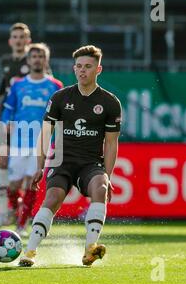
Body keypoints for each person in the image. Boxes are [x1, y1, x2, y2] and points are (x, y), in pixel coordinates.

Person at [18, 45, 122, 267]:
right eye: (79, 66)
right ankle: (29, 252)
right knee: (52, 198)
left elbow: (111, 144)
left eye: (88, 66)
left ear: (98, 69)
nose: (82, 71)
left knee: (101, 189)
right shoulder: (60, 98)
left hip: (91, 163)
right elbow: (46, 132)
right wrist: (40, 165)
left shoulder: (110, 103)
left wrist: (108, 175)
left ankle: (90, 249)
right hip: (62, 161)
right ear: (74, 69)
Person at [0, 43, 63, 236]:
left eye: (41, 56)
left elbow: (60, 118)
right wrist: (4, 143)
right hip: (18, 143)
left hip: (41, 145)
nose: (37, 59)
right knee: (13, 187)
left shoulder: (55, 86)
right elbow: (6, 114)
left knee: (31, 184)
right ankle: (18, 209)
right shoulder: (18, 85)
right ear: (28, 60)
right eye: (34, 56)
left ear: (46, 60)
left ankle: (22, 224)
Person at [0, 22, 31, 228]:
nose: (19, 40)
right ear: (10, 40)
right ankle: (4, 212)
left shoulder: (34, 60)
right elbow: (0, 89)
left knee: (27, 172)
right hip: (6, 119)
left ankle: (23, 210)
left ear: (28, 40)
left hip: (29, 124)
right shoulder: (5, 61)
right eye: (16, 36)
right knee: (2, 162)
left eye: (22, 37)